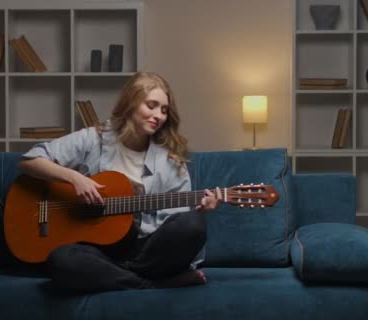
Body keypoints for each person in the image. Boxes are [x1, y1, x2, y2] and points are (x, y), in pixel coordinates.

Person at [18, 71, 221, 293]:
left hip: (143, 252)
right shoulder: (92, 139)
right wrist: (76, 178)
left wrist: (199, 211)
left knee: (193, 224)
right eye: (151, 105)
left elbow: (178, 224)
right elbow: (29, 161)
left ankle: (117, 277)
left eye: (164, 110)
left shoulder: (171, 161)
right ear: (131, 102)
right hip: (96, 251)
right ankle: (150, 285)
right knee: (61, 259)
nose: (159, 116)